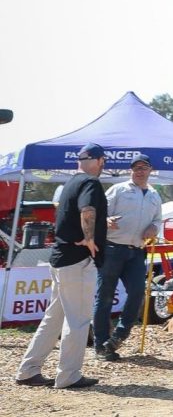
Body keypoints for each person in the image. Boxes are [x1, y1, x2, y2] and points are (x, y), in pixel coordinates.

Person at [13, 142, 109, 390]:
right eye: (103, 161)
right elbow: (87, 209)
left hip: (60, 259)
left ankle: (28, 370)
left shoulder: (70, 183)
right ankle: (69, 375)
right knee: (77, 320)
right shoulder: (91, 182)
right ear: (99, 160)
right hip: (77, 260)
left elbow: (75, 214)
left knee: (53, 318)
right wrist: (89, 237)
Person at [92, 153, 164, 358]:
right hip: (113, 248)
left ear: (150, 170)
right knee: (105, 297)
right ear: (131, 171)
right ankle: (100, 344)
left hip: (137, 252)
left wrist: (154, 227)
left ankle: (119, 336)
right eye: (136, 168)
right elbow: (99, 212)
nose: (140, 171)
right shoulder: (118, 189)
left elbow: (158, 220)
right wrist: (105, 221)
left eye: (144, 168)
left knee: (137, 293)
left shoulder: (154, 195)